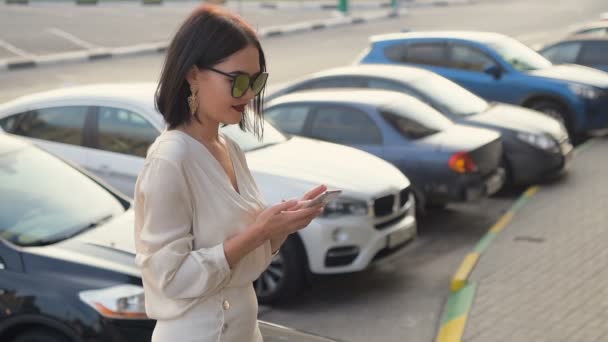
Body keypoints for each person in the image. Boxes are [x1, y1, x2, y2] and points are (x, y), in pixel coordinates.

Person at [133, 4, 326, 341]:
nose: (250, 94)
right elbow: (170, 278)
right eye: (238, 82)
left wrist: (281, 226)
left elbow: (240, 259)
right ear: (193, 74)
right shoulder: (170, 159)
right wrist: (260, 231)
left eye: (256, 81)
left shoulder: (229, 147)